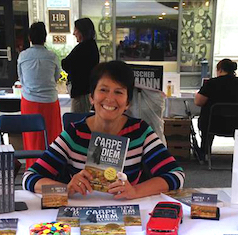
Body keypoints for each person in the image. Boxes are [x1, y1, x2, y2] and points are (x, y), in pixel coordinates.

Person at [22, 61, 185, 199]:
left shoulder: (139, 132)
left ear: (128, 102)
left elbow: (176, 175)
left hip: (128, 215)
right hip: (81, 215)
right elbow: (29, 178)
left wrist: (135, 191)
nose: (110, 98)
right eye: (103, 90)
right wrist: (66, 189)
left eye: (119, 92)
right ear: (91, 97)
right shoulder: (75, 134)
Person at [17, 21, 63, 168]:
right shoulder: (52, 56)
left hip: (30, 101)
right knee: (52, 136)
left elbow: (21, 79)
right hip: (50, 101)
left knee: (32, 137)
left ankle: (32, 167)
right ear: (45, 37)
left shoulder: (23, 56)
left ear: (30, 38)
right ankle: (52, 167)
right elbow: (57, 77)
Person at [194, 58, 238, 156]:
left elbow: (198, 102)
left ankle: (205, 152)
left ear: (220, 70)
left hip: (213, 124)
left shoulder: (211, 83)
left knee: (206, 119)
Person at [61, 18, 99, 113]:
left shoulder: (83, 48)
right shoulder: (91, 46)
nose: (74, 33)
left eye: (76, 30)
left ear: (82, 31)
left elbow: (65, 63)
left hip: (81, 93)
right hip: (85, 91)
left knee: (78, 120)